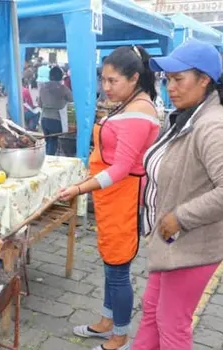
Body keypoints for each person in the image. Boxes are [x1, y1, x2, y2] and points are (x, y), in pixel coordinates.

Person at [59, 45, 160, 350]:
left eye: (113, 80)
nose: (106, 87)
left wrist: (79, 188)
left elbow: (120, 169)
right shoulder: (130, 103)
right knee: (109, 262)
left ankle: (120, 335)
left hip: (123, 197)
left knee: (118, 270)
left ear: (134, 78)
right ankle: (106, 320)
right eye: (103, 79)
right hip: (110, 196)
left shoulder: (140, 113)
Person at [131, 39, 223, 350]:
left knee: (172, 327)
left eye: (179, 78)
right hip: (171, 243)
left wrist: (179, 217)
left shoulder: (212, 126)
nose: (171, 87)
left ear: (204, 79)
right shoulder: (188, 115)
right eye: (167, 79)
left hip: (192, 245)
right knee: (152, 312)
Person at [39, 67, 73, 155]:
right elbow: (71, 99)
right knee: (53, 143)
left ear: (50, 76)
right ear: (61, 77)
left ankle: (45, 160)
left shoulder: (43, 87)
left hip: (44, 118)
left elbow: (40, 104)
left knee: (47, 142)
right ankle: (49, 162)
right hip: (56, 119)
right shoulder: (63, 88)